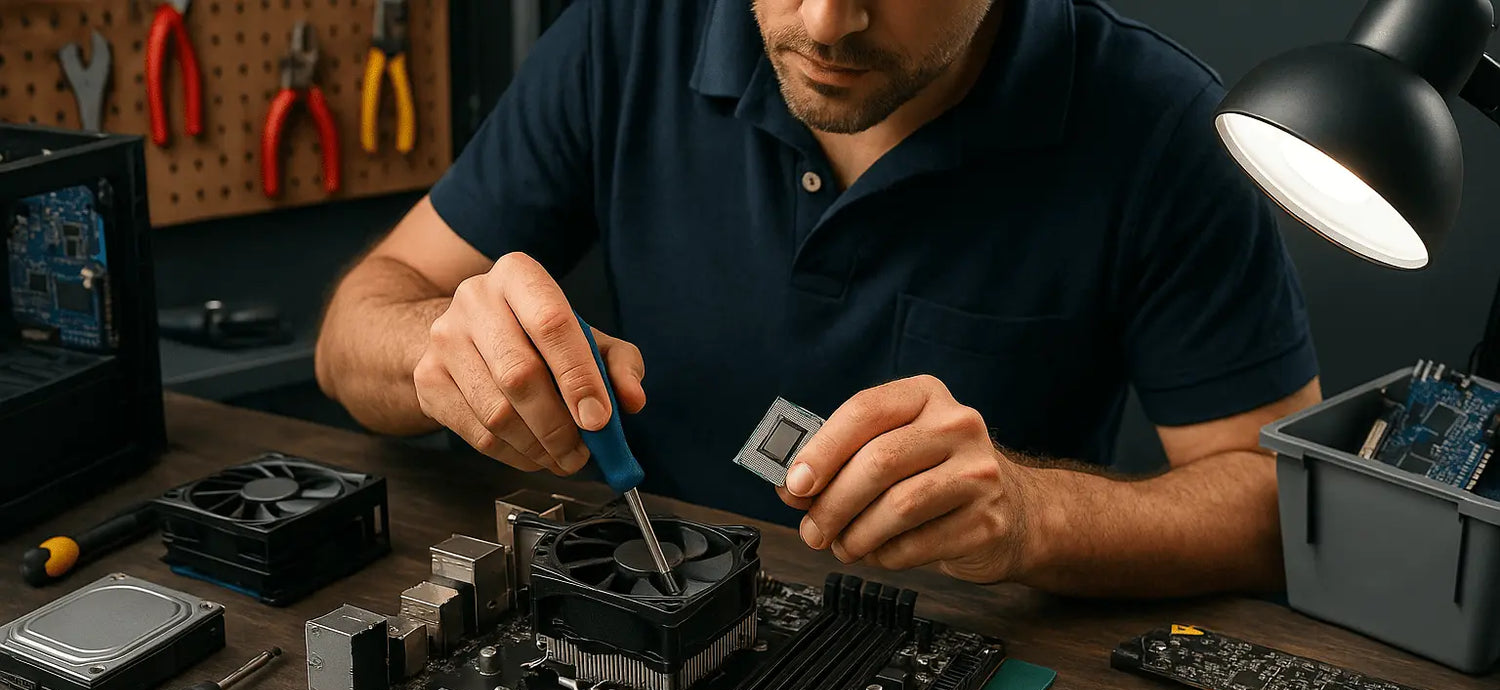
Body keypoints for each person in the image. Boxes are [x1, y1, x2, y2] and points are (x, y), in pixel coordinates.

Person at [316, 0, 1320, 597]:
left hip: (961, 675)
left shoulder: (1160, 125)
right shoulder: (627, 34)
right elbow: (358, 322)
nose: (828, 21)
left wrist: (1032, 515)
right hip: (638, 601)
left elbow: (1278, 506)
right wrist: (437, 349)